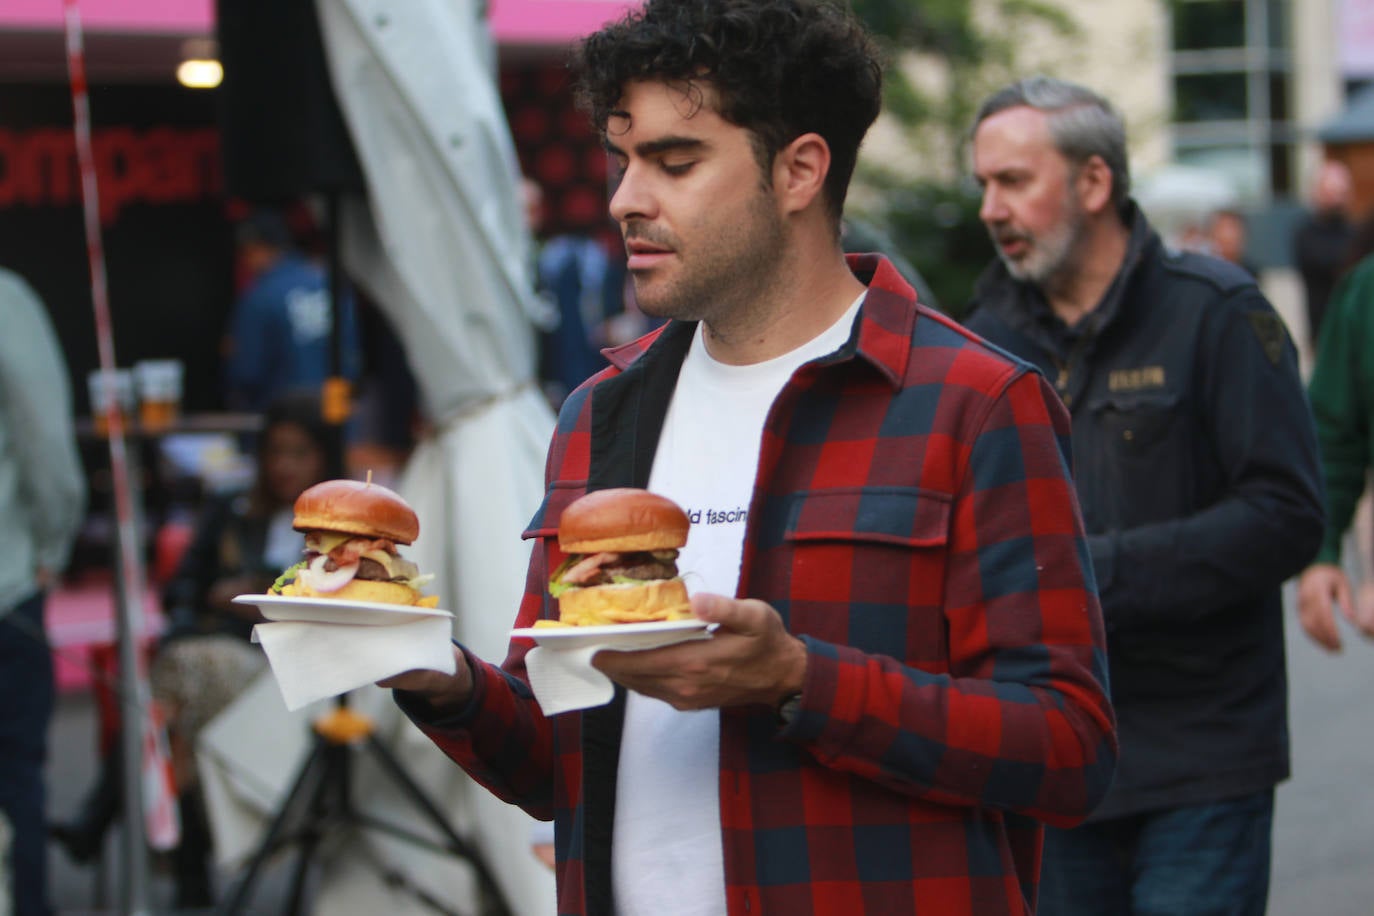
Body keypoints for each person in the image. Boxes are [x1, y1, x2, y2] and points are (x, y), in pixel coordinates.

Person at [379, 4, 1117, 914]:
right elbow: (557, 762)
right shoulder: (599, 415)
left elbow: (1068, 750)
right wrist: (436, 675)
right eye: (622, 161)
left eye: (674, 162)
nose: (624, 199)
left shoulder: (976, 401)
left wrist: (801, 682)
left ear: (800, 169)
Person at [962, 75, 1324, 915]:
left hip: (1201, 754)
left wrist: (1092, 578)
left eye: (1013, 181)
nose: (989, 208)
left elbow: (1287, 515)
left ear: (1094, 183)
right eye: (983, 184)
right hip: (1046, 751)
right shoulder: (982, 339)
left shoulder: (1218, 312)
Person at [52, 389, 332, 906]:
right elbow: (180, 589)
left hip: (286, 672)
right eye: (275, 451)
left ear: (322, 455)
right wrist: (211, 603)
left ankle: (111, 820)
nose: (285, 466)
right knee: (185, 710)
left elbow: (323, 606)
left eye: (299, 452)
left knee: (180, 685)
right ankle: (181, 861)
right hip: (210, 660)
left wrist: (253, 598)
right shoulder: (232, 507)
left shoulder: (338, 523)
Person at [0, 268, 85, 916]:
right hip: (5, 587)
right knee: (11, 777)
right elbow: (45, 443)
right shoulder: (5, 299)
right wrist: (52, 547)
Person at [222, 209, 361, 413]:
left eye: (247, 252)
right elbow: (353, 359)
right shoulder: (330, 282)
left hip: (283, 422)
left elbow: (248, 372)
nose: (245, 261)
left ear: (258, 248)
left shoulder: (261, 296)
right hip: (336, 415)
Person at [1293, 159, 1355, 345]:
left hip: (1353, 328)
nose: (1336, 200)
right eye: (1331, 192)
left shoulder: (1355, 232)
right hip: (1323, 329)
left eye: (1341, 193)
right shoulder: (1306, 234)